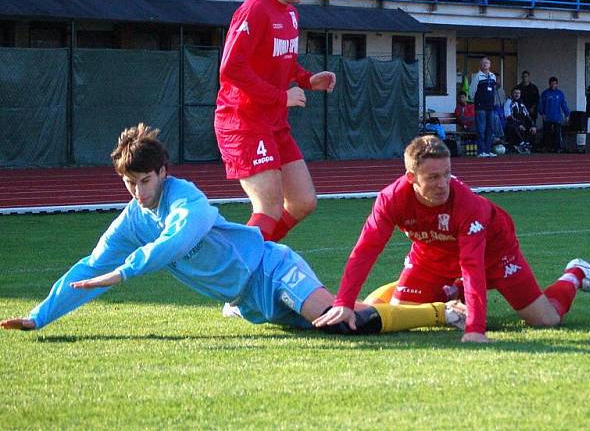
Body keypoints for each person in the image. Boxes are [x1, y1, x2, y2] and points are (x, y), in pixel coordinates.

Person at [0, 125, 466, 336]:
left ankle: (441, 312)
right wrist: (41, 315)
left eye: (144, 181)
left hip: (272, 269)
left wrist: (123, 275)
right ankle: (392, 296)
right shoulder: (133, 218)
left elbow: (173, 244)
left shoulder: (191, 203)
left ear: (163, 171)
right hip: (251, 304)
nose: (138, 192)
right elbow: (90, 265)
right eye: (129, 184)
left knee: (345, 325)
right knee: (333, 323)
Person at [313, 135, 590, 343]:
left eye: (447, 174)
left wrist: (476, 329)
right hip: (431, 253)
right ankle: (451, 296)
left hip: (493, 252)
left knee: (546, 321)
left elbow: (472, 265)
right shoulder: (390, 199)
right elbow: (365, 251)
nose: (443, 183)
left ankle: (577, 273)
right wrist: (343, 302)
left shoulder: (467, 205)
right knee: (404, 312)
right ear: (411, 179)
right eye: (433, 177)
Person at [214, 0, 335, 248]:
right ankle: (237, 280)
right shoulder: (253, 10)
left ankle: (254, 258)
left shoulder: (291, 15)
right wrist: (282, 97)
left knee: (303, 201)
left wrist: (308, 80)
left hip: (274, 122)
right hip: (244, 122)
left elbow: (285, 60)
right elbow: (231, 69)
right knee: (268, 207)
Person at [468, 56, 497, 158]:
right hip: (480, 106)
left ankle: (488, 150)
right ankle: (481, 151)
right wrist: (476, 100)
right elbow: (471, 91)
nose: (485, 65)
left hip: (490, 106)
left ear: (490, 65)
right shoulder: (477, 76)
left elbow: (493, 91)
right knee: (481, 129)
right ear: (481, 65)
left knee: (490, 128)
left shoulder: (493, 76)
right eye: (483, 63)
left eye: (487, 63)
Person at [539, 76, 570, 153]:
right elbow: (540, 104)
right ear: (549, 84)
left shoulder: (560, 94)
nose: (553, 85)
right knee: (547, 132)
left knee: (557, 133)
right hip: (547, 116)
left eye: (555, 84)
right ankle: (546, 147)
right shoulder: (545, 93)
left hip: (557, 117)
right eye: (552, 84)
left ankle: (557, 148)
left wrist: (567, 114)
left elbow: (563, 104)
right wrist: (542, 113)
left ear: (557, 84)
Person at [503, 88, 536, 153]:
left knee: (533, 128)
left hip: (521, 123)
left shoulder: (521, 104)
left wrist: (533, 125)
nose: (517, 95)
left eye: (518, 93)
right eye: (515, 93)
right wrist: (519, 125)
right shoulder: (508, 102)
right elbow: (508, 117)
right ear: (512, 93)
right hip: (511, 124)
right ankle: (522, 144)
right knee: (513, 127)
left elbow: (527, 115)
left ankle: (528, 144)